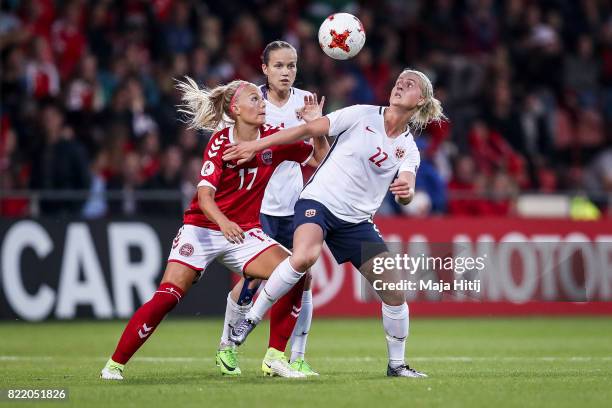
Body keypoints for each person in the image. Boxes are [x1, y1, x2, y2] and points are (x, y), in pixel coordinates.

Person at [100, 76, 326, 380]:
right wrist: (224, 222)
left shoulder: (272, 138)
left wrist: (316, 128)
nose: (263, 104)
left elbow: (320, 157)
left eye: (261, 100)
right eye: (255, 100)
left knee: (298, 272)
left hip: (245, 233)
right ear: (235, 109)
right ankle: (114, 365)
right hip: (203, 228)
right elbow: (204, 198)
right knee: (168, 296)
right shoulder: (220, 142)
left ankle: (274, 357)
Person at [224, 69, 446, 378]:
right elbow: (306, 131)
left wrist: (407, 193)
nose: (400, 85)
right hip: (318, 202)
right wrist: (257, 146)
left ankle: (397, 365)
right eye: (398, 81)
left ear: (420, 100)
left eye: (409, 84)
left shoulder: (408, 148)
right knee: (304, 257)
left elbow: (407, 185)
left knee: (394, 291)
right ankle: (251, 318)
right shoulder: (360, 114)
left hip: (356, 222)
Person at [216, 40, 328, 377]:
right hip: (256, 207)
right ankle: (227, 347)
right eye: (279, 65)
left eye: (291, 65)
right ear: (264, 69)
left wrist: (316, 125)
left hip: (294, 205)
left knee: (303, 277)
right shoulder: (249, 102)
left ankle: (292, 356)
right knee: (251, 280)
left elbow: (321, 158)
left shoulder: (306, 101)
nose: (286, 72)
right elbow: (228, 153)